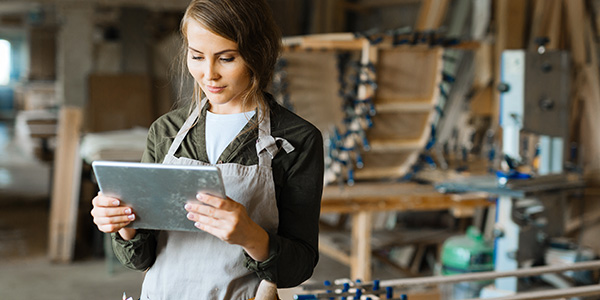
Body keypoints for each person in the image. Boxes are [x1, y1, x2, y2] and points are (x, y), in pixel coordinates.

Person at [90, 0, 324, 299]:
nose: (208, 73)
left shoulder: (297, 140)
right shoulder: (166, 132)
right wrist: (123, 226)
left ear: (258, 54)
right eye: (197, 56)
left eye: (226, 58)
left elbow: (299, 267)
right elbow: (140, 259)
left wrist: (251, 237)